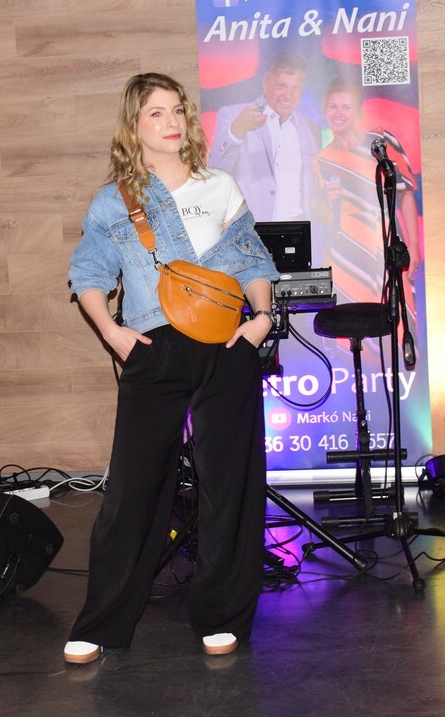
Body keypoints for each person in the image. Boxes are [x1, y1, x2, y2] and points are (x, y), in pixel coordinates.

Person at [65, 73, 279, 663]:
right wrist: (112, 333)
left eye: (178, 110)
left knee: (229, 485)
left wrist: (261, 320)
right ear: (133, 126)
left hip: (226, 346)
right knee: (131, 490)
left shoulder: (221, 185)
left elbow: (253, 259)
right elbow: (88, 273)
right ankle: (102, 621)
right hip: (154, 347)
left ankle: (221, 613)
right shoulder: (114, 200)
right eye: (155, 113)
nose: (171, 122)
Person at [314, 78, 421, 306]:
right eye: (333, 106)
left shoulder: (381, 142)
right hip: (343, 257)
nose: (339, 113)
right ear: (324, 110)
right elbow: (319, 217)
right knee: (349, 320)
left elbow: (405, 194)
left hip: (385, 247)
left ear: (357, 111)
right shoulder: (320, 160)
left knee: (395, 317)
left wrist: (413, 244)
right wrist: (326, 202)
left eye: (346, 107)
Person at [209, 52, 322, 222]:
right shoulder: (234, 116)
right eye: (281, 86)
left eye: (296, 88)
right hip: (252, 230)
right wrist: (237, 130)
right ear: (265, 82)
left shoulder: (307, 127)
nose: (288, 95)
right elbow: (216, 172)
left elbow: (310, 184)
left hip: (297, 228)